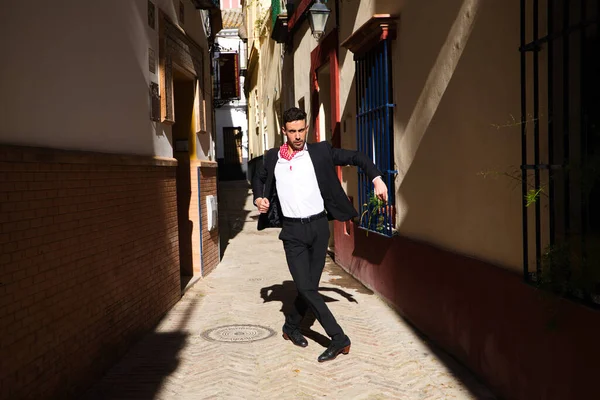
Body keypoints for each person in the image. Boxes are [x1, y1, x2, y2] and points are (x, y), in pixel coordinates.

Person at [252, 107, 388, 362]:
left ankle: (291, 326)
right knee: (305, 286)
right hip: (292, 231)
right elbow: (258, 178)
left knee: (309, 287)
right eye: (292, 131)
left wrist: (377, 177)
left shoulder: (320, 152)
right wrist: (259, 197)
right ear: (284, 131)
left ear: (306, 129)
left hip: (317, 228)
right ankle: (338, 338)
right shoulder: (273, 158)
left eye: (301, 130)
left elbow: (356, 156)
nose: (298, 136)